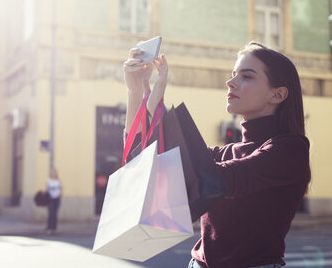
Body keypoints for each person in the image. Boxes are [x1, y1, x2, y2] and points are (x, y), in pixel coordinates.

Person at [123, 41, 311, 268]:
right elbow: (146, 157)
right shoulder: (226, 152)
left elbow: (217, 179)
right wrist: (135, 90)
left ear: (278, 94)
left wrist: (157, 105)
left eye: (247, 76)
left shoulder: (290, 149)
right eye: (233, 75)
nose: (230, 82)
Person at [45, 169, 62, 234]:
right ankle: (49, 228)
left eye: (54, 173)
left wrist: (59, 194)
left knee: (55, 214)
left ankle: (54, 228)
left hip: (57, 199)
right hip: (50, 199)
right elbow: (46, 189)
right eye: (52, 173)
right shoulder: (48, 181)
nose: (53, 174)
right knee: (51, 213)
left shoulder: (58, 181)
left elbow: (60, 188)